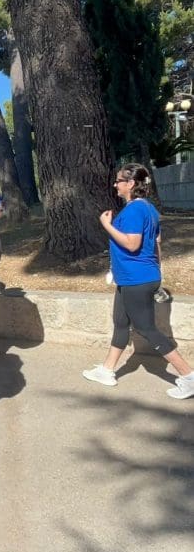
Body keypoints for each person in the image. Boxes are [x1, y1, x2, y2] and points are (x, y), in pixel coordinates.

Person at [83, 163, 194, 399]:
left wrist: (107, 226)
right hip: (134, 277)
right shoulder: (149, 209)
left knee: (146, 329)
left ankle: (188, 377)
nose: (115, 184)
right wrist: (156, 273)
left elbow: (132, 244)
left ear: (131, 184)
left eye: (119, 181)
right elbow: (157, 243)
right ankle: (107, 370)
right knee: (121, 322)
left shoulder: (134, 211)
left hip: (136, 279)